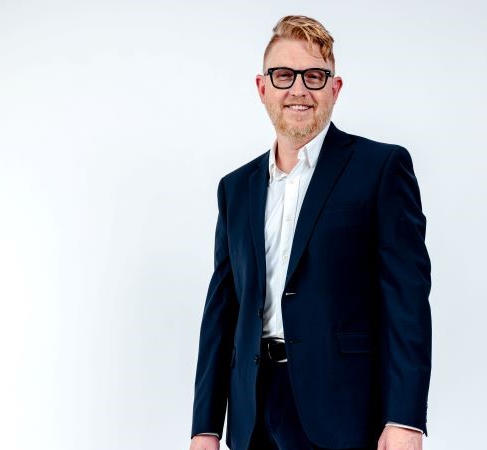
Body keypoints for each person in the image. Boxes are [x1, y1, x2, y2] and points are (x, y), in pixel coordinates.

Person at [190, 15, 432, 450]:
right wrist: (206, 427)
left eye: (314, 76)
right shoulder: (236, 189)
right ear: (263, 88)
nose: (298, 89)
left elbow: (406, 301)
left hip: (344, 410)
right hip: (252, 412)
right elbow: (222, 311)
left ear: (334, 89)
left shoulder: (379, 168)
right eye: (284, 75)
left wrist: (405, 419)